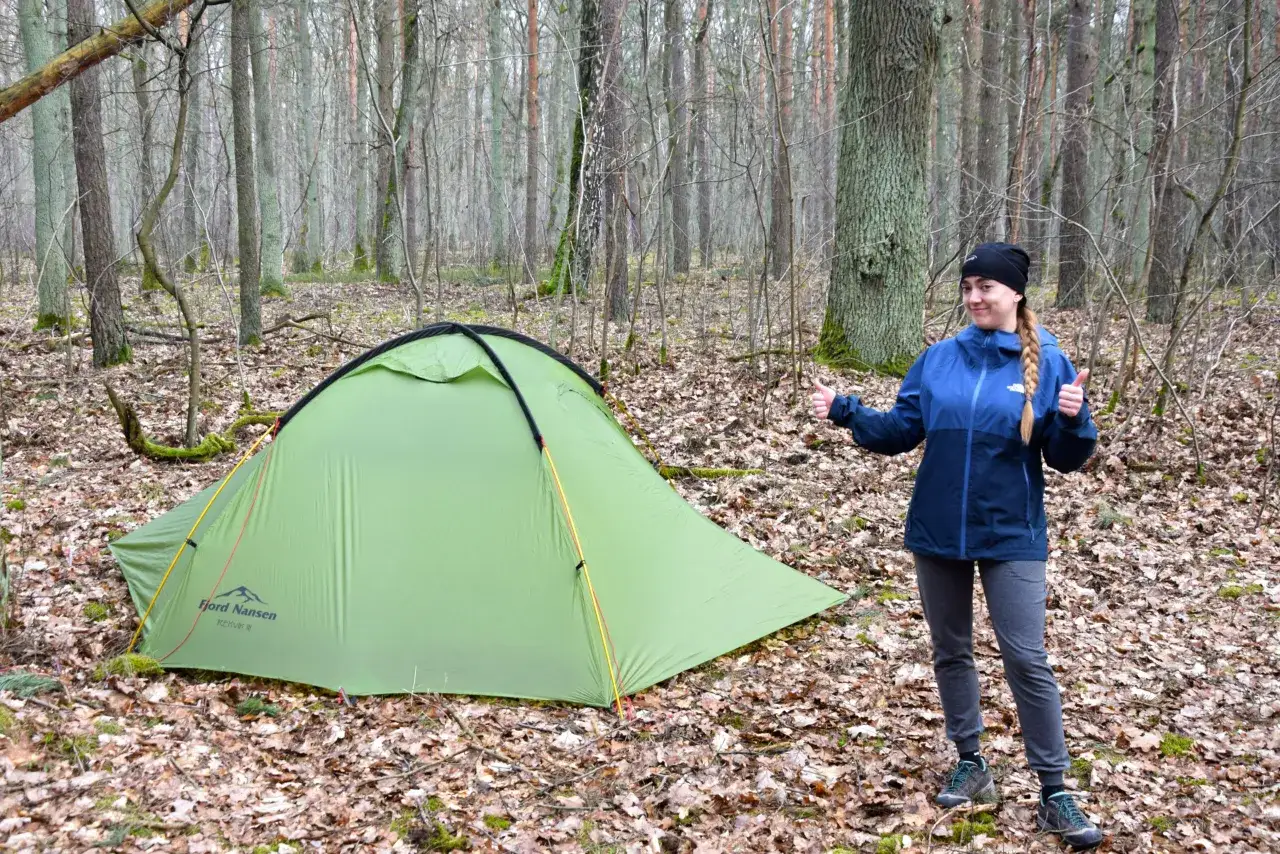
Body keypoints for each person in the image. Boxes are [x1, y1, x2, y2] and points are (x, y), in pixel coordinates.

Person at [811, 243, 1104, 850]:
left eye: (986, 287)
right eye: (968, 286)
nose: (974, 297)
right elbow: (900, 431)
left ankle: (1054, 791)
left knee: (1026, 657)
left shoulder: (1049, 362)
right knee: (951, 650)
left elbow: (1065, 458)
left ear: (1015, 292)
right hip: (939, 529)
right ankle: (971, 763)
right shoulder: (939, 359)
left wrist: (1076, 421)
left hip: (1012, 533)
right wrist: (846, 411)